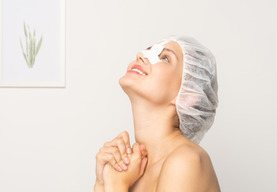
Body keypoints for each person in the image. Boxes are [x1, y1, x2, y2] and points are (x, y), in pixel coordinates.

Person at [94, 35, 220, 192]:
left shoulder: (186, 160)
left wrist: (115, 185)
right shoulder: (133, 169)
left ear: (187, 96)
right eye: (148, 51)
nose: (141, 55)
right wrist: (101, 182)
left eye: (165, 58)